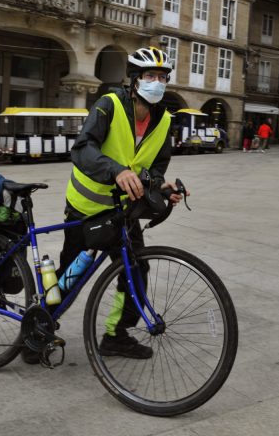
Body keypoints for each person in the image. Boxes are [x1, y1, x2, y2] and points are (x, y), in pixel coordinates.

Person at [58, 46, 186, 359]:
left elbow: (155, 167)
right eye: (150, 76)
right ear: (134, 80)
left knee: (137, 269)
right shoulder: (109, 104)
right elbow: (83, 148)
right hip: (85, 209)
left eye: (162, 77)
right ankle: (37, 328)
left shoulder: (164, 121)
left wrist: (160, 187)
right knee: (69, 278)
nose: (157, 82)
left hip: (123, 212)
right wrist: (116, 171)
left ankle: (116, 334)